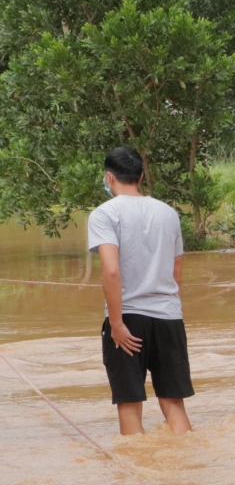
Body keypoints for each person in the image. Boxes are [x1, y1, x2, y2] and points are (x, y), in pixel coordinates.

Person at [87, 147, 193, 436]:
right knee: (173, 402)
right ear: (141, 176)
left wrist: (117, 324)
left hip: (129, 319)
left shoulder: (104, 214)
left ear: (109, 177)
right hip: (169, 317)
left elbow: (111, 270)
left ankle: (135, 474)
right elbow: (177, 268)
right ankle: (190, 468)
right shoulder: (167, 212)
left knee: (130, 404)